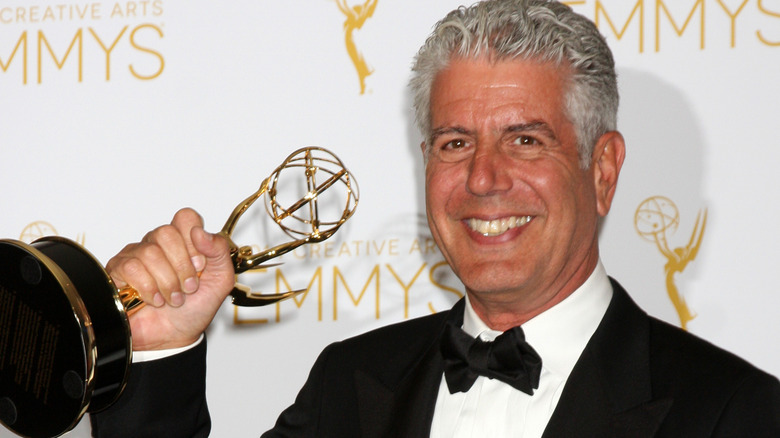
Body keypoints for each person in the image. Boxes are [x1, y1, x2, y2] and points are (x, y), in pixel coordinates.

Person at [91, 0, 780, 436]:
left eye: (525, 139)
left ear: (601, 171)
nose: (483, 179)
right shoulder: (348, 388)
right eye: (456, 143)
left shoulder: (735, 414)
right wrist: (157, 348)